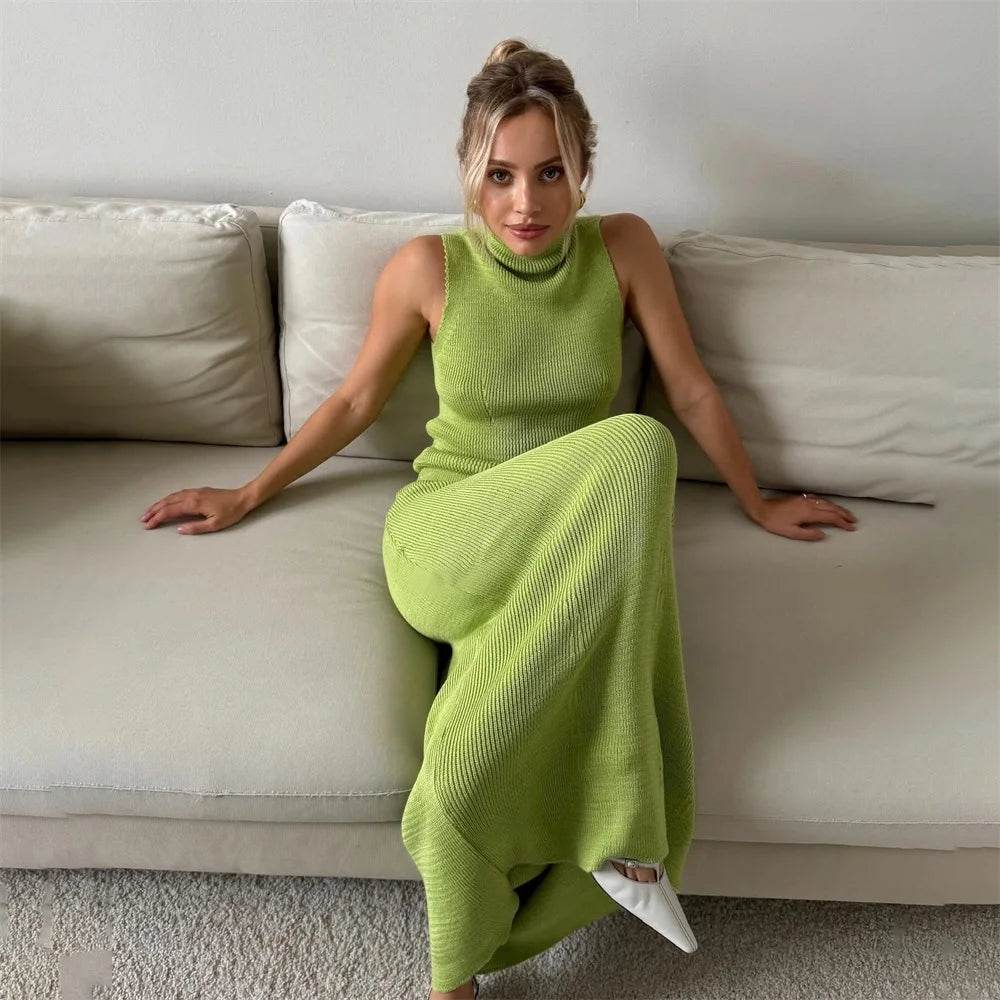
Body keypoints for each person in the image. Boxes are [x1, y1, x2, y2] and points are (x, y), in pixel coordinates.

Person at [139, 37, 859, 1000]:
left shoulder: (625, 248)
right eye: (501, 175)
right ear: (470, 173)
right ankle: (626, 833)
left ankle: (456, 972)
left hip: (561, 552)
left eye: (551, 173)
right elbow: (354, 402)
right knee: (635, 448)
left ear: (585, 169)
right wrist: (247, 491)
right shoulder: (427, 268)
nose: (526, 204)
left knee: (475, 741)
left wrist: (757, 500)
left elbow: (689, 386)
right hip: (452, 536)